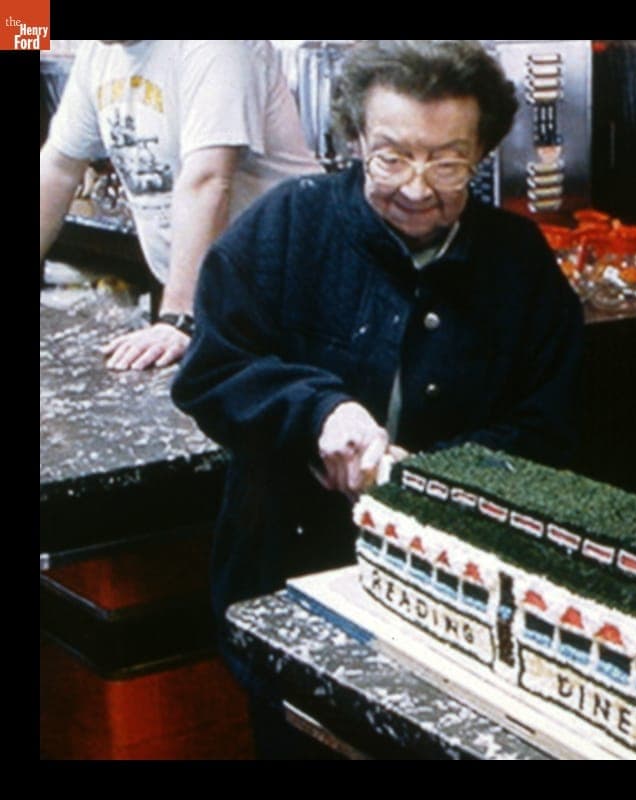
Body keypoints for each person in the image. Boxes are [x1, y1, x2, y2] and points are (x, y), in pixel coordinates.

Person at [170, 40, 584, 758]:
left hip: (456, 599)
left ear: (483, 149)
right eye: (390, 157)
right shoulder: (287, 227)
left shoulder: (518, 263)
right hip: (290, 580)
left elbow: (555, 423)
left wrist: (423, 477)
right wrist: (318, 413)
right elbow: (213, 370)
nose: (418, 189)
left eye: (448, 162)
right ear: (355, 139)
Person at [40, 40, 321, 371]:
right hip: (226, 302)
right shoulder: (99, 52)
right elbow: (57, 170)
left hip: (294, 300)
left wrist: (180, 317)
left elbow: (208, 179)